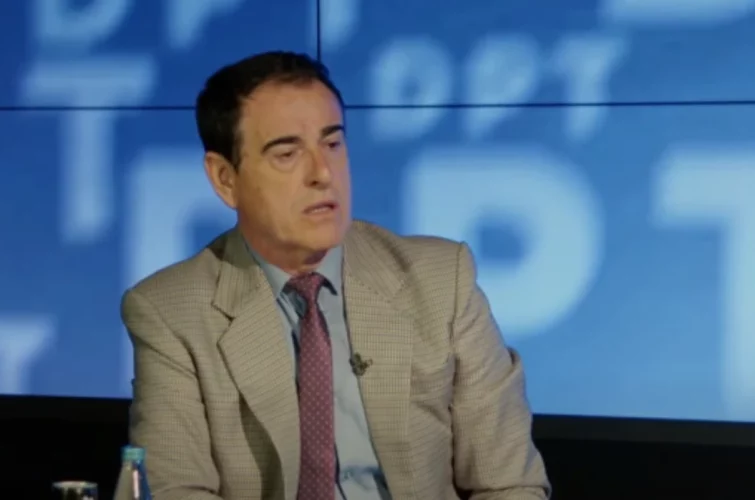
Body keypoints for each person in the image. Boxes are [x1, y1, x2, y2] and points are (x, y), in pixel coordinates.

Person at [121, 51, 551, 500]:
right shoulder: (172, 313)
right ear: (225, 178)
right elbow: (176, 492)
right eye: (287, 153)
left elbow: (510, 484)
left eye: (332, 144)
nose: (323, 173)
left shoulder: (442, 281)